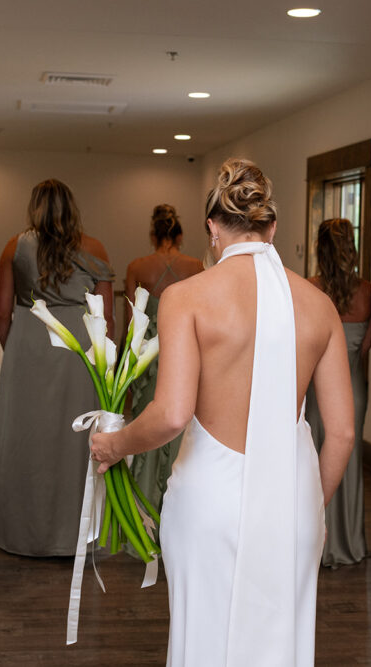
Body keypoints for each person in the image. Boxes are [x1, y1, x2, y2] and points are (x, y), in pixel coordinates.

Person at [91, 159, 354, 666]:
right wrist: (305, 508)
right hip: (294, 500)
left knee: (204, 640)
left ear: (213, 228)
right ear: (272, 227)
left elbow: (170, 414)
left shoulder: (186, 297)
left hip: (211, 502)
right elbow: (341, 433)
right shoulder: (319, 306)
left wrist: (113, 444)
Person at [0, 179, 115, 556]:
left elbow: (1, 313)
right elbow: (106, 315)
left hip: (29, 343)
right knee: (74, 441)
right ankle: (73, 537)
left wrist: (17, 349)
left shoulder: (14, 246)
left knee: (26, 441)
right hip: (77, 348)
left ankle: (23, 535)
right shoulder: (94, 247)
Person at [124, 204, 203, 515]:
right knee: (181, 428)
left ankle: (143, 513)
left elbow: (133, 322)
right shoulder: (196, 266)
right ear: (179, 235)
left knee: (148, 425)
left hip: (147, 357)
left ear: (153, 234)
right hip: (184, 354)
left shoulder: (137, 267)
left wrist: (126, 367)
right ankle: (178, 513)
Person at [306, 218, 371, 568]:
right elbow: (365, 348)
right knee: (349, 463)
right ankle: (349, 544)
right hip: (354, 386)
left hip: (318, 390)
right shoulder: (367, 292)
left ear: (320, 249)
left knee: (316, 461)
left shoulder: (309, 289)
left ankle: (317, 543)